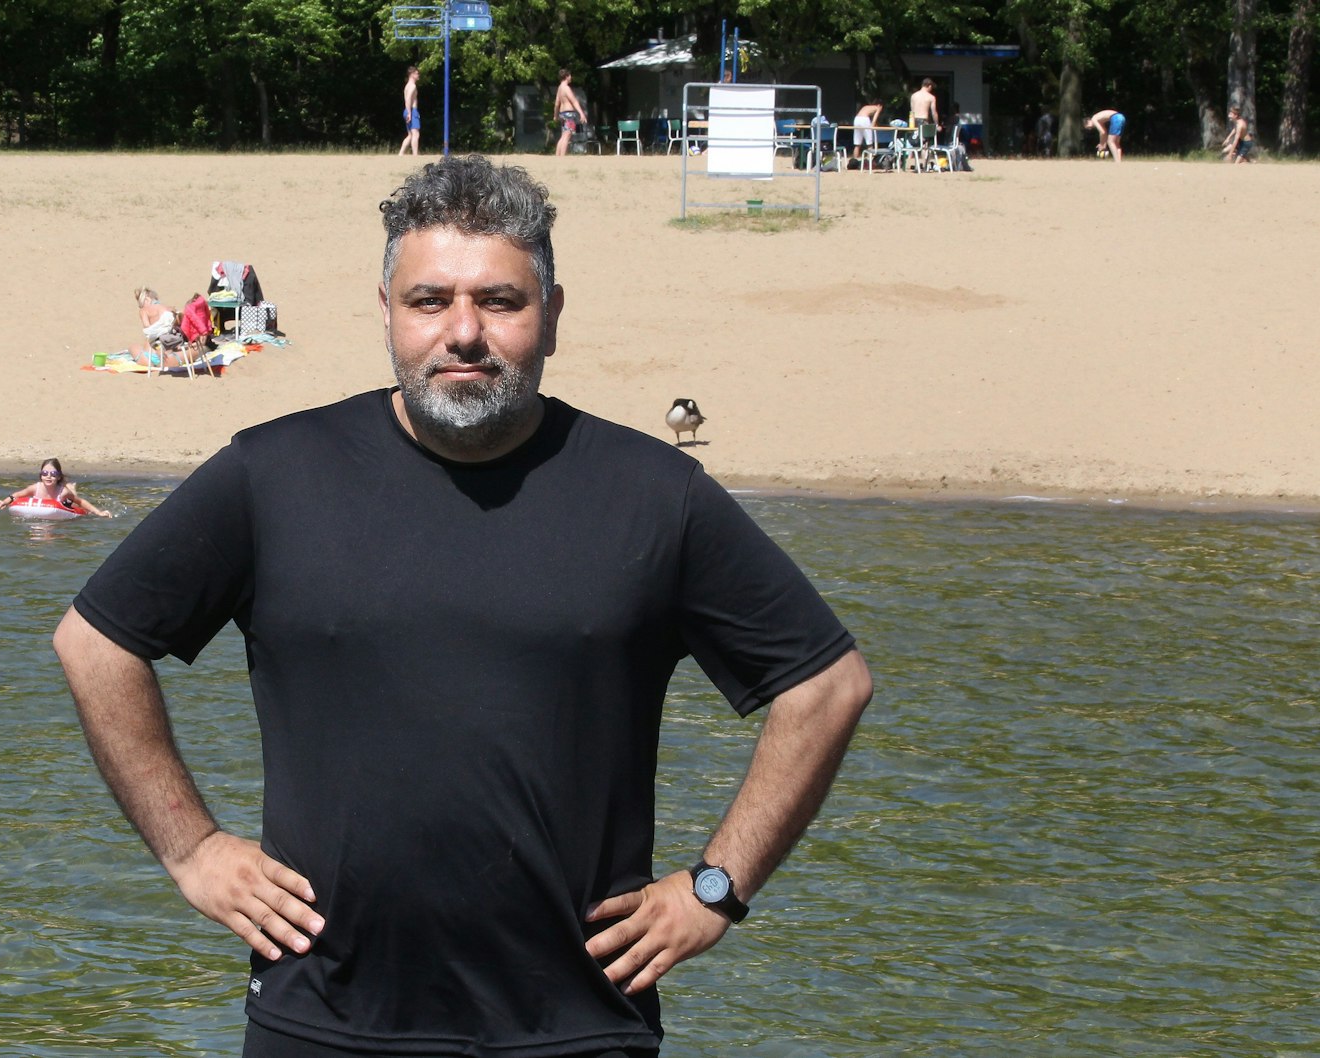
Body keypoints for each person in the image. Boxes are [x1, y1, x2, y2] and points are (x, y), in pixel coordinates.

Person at [54, 155, 873, 1058]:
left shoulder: (652, 495)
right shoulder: (274, 475)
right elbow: (96, 643)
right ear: (387, 312)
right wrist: (192, 848)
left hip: (578, 1027)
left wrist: (716, 888)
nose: (463, 332)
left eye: (501, 301)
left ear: (553, 317)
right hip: (321, 1020)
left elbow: (826, 685)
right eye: (429, 300)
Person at [0, 457, 112, 517]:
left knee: (73, 501)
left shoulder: (63, 493)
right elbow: (16, 495)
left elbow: (80, 502)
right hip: (45, 508)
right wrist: (4, 502)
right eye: (45, 473)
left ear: (58, 476)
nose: (48, 477)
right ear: (41, 475)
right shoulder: (35, 488)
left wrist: (98, 512)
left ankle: (72, 488)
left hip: (63, 502)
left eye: (53, 474)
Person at [130, 286, 189, 370]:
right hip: (168, 354)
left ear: (146, 300)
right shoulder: (168, 309)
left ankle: (149, 362)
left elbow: (147, 328)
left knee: (133, 347)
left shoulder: (144, 310)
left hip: (150, 354)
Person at [553, 68, 584, 156]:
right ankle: (562, 157)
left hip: (562, 114)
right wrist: (581, 113)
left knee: (563, 136)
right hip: (569, 114)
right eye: (570, 76)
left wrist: (555, 115)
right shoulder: (566, 88)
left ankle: (557, 156)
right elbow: (574, 101)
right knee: (567, 136)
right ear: (566, 76)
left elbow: (556, 104)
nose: (571, 77)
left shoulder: (560, 88)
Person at [909, 77, 939, 165]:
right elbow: (934, 112)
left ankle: (916, 164)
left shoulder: (913, 96)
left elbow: (912, 110)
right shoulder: (931, 97)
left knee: (915, 142)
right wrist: (936, 124)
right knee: (925, 144)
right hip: (924, 121)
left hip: (914, 121)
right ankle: (925, 164)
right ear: (929, 86)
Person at [851, 98, 883, 169]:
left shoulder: (866, 107)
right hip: (864, 120)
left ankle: (854, 162)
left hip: (857, 119)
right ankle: (870, 162)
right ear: (879, 105)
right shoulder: (877, 108)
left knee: (857, 143)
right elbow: (874, 120)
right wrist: (874, 126)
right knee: (869, 143)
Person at [398, 66, 420, 157]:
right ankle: (415, 155)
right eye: (417, 73)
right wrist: (410, 113)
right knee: (416, 133)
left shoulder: (407, 85)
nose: (418, 75)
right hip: (411, 111)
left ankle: (401, 153)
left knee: (410, 135)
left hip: (408, 111)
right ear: (412, 74)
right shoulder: (412, 86)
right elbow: (408, 99)